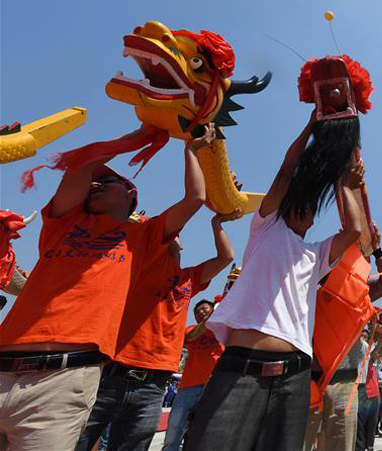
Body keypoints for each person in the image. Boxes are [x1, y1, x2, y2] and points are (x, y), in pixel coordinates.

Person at [0, 125, 211, 451]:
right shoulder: (63, 221)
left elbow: (195, 198)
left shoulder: (144, 239)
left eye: (108, 181)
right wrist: (136, 137)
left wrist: (192, 149)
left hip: (63, 380)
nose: (96, 183)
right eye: (94, 182)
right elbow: (80, 166)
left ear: (130, 195)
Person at [183, 113, 366, 451]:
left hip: (294, 374)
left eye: (312, 210)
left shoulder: (315, 253)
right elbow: (286, 171)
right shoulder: (266, 227)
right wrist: (310, 124)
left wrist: (346, 185)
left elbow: (354, 231)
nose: (306, 212)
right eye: (300, 204)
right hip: (240, 367)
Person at [76, 206, 237, 451]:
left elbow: (225, 258)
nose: (174, 238)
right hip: (114, 374)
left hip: (154, 385)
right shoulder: (139, 268)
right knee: (78, 443)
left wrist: (217, 224)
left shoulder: (189, 280)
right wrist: (140, 225)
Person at [305, 223, 382, 451]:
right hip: (307, 376)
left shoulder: (358, 286)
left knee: (340, 443)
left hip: (343, 380)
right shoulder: (309, 274)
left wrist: (377, 251)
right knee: (301, 441)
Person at [161, 299, 225, 451]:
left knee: (206, 429)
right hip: (187, 386)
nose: (201, 313)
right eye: (197, 312)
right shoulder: (190, 329)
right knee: (175, 429)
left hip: (213, 385)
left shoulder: (223, 330)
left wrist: (220, 303)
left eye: (205, 309)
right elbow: (191, 337)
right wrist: (212, 315)